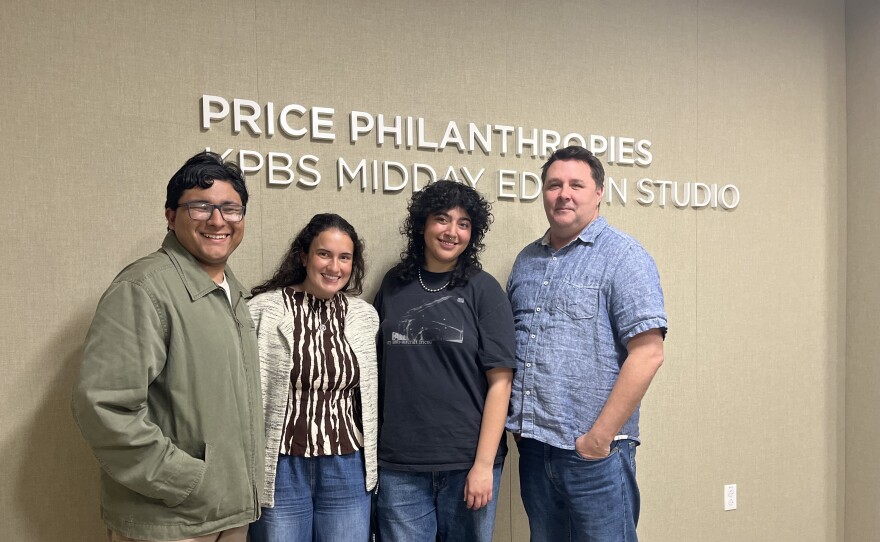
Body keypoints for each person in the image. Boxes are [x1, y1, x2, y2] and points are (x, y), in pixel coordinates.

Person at [71, 151, 264, 542]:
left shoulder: (234, 294)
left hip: (229, 514)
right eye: (200, 207)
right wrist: (187, 481)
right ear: (170, 216)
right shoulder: (143, 288)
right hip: (170, 521)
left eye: (231, 208)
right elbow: (103, 408)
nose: (217, 220)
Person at [506, 145, 667, 542]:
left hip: (595, 455)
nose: (564, 194)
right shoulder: (527, 261)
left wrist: (597, 440)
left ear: (598, 192)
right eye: (554, 184)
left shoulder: (624, 257)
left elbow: (648, 353)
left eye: (576, 184)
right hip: (535, 450)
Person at [373, 180, 515, 542]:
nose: (452, 231)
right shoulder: (393, 285)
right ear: (422, 225)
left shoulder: (484, 290)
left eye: (463, 223)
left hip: (466, 462)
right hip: (400, 464)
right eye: (442, 219)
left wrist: (483, 465)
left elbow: (501, 382)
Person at [247, 213, 379, 542]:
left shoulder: (364, 316)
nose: (334, 267)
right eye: (325, 254)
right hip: (280, 466)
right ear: (304, 256)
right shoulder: (263, 310)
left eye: (344, 257)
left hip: (347, 465)